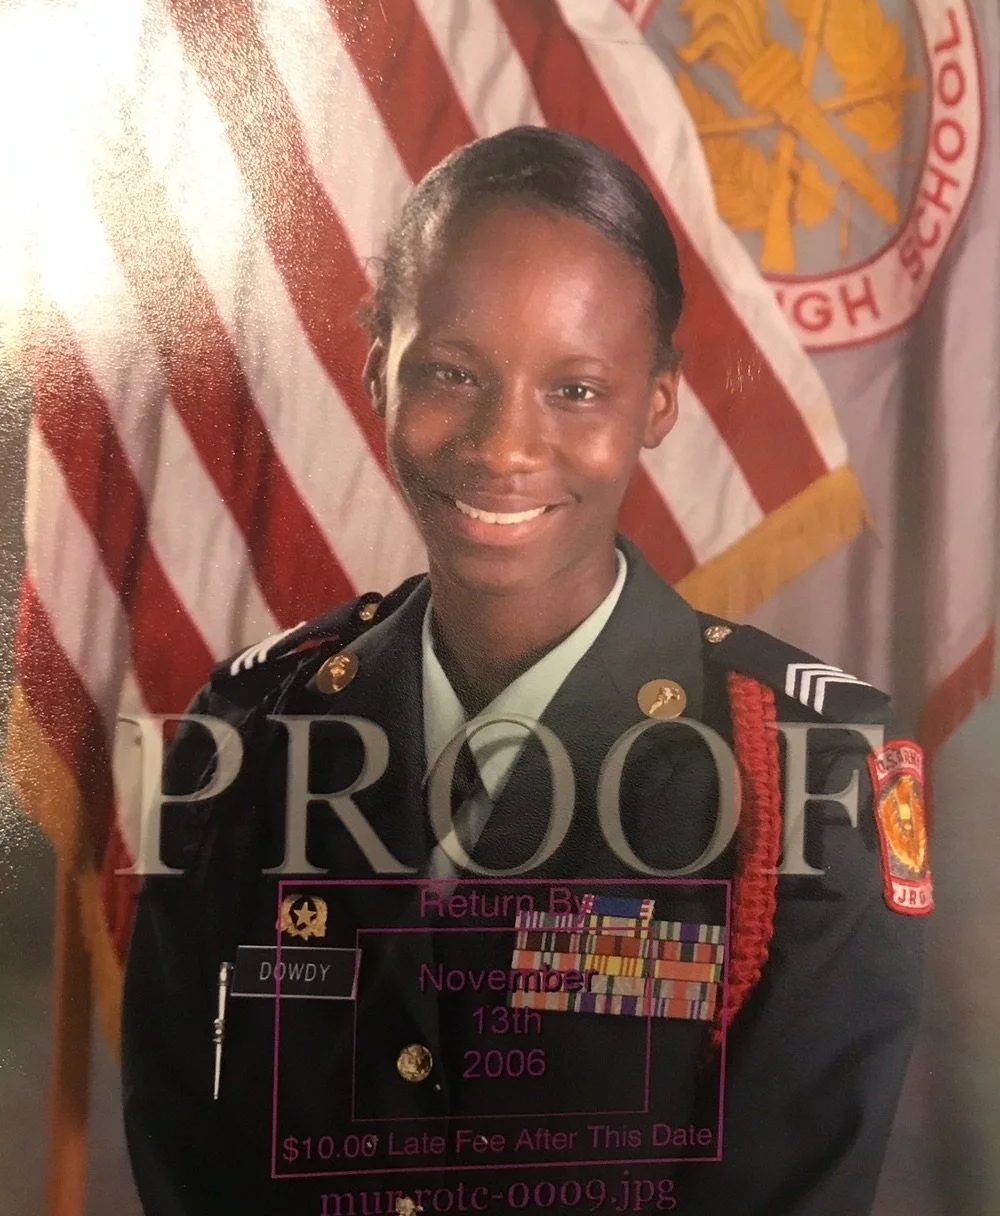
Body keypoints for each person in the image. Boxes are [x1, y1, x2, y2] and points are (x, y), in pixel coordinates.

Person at [121, 127, 928, 1216]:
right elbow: (188, 1156)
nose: (504, 446)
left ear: (656, 403)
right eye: (451, 373)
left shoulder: (807, 772)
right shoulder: (250, 733)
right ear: (377, 370)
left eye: (577, 389)